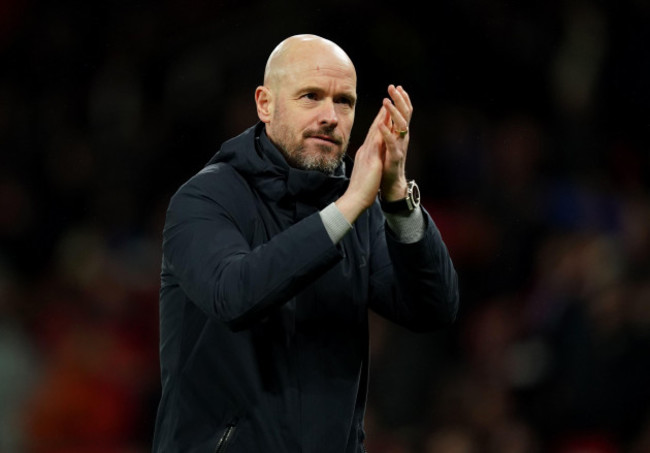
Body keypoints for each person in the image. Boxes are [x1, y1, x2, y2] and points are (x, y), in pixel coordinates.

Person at [152, 34, 459, 453]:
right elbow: (234, 295)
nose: (330, 116)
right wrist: (349, 205)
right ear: (265, 104)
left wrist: (397, 198)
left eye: (344, 101)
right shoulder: (205, 199)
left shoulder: (360, 208)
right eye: (310, 96)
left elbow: (433, 308)